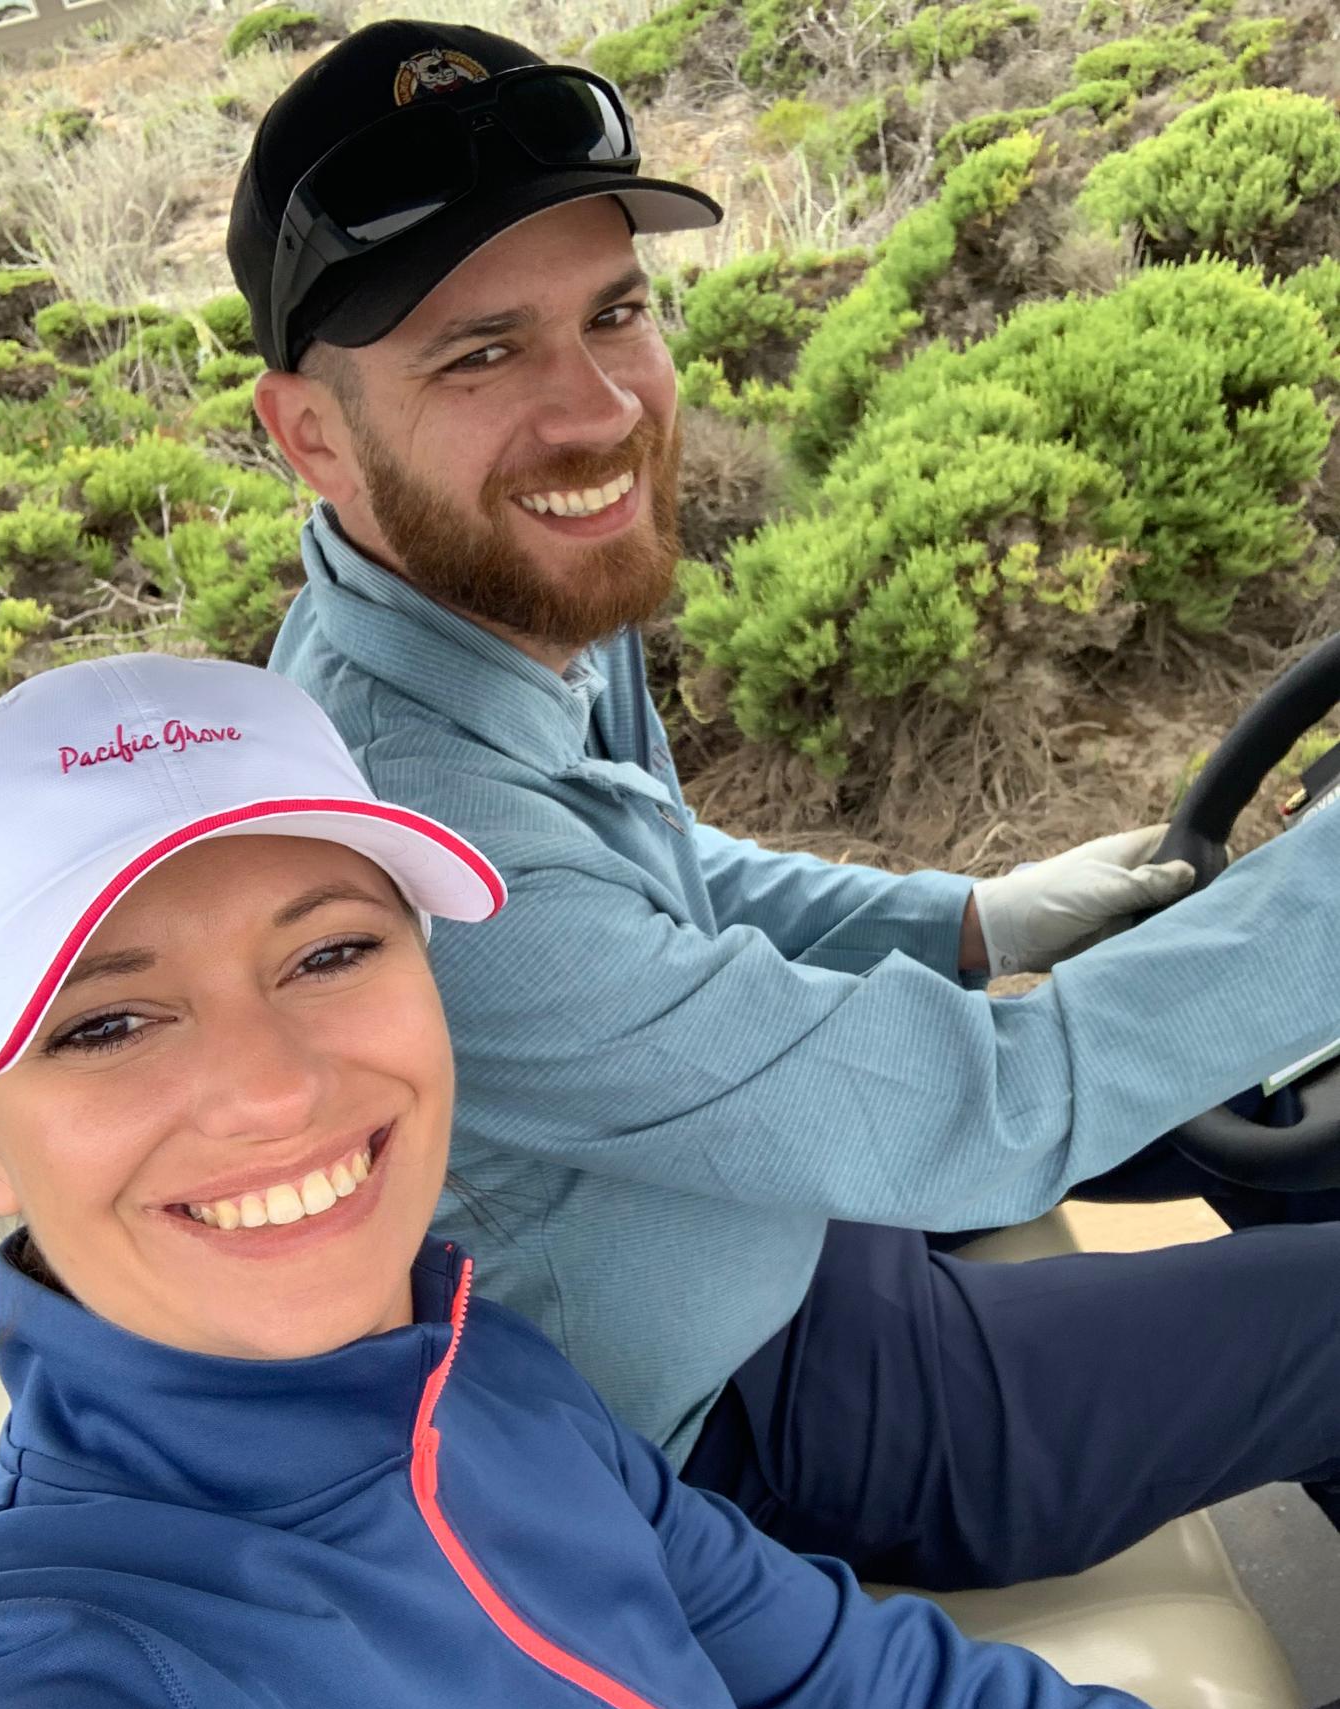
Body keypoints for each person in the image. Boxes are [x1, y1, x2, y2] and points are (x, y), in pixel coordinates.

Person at [233, 21, 1340, 1592]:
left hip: (763, 1204)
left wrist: (970, 919)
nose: (595, 410)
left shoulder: (484, 596)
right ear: (311, 434)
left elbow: (660, 878)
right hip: (745, 1411)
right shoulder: (408, 841)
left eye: (614, 313)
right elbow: (981, 1115)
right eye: (478, 353)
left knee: (1270, 1121)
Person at [0, 649, 1335, 1709]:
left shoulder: (481, 1374)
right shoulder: (75, 1687)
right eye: (105, 1024)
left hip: (781, 1251)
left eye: (331, 952)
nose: (274, 1092)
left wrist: (977, 917)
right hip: (782, 1370)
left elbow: (879, 1707)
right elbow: (980, 1117)